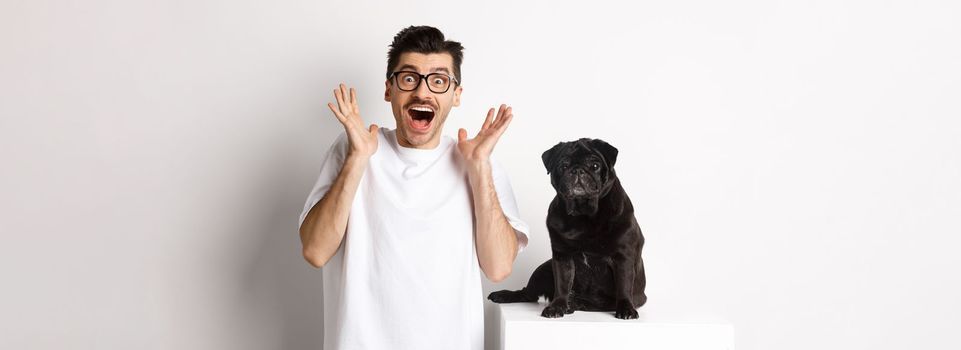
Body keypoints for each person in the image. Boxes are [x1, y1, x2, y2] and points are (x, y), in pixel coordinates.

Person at [297, 25, 530, 350]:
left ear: (456, 94)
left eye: (438, 80)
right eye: (409, 78)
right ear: (389, 89)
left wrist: (479, 168)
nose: (423, 93)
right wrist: (358, 158)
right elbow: (316, 251)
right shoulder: (355, 148)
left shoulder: (477, 161)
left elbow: (499, 267)